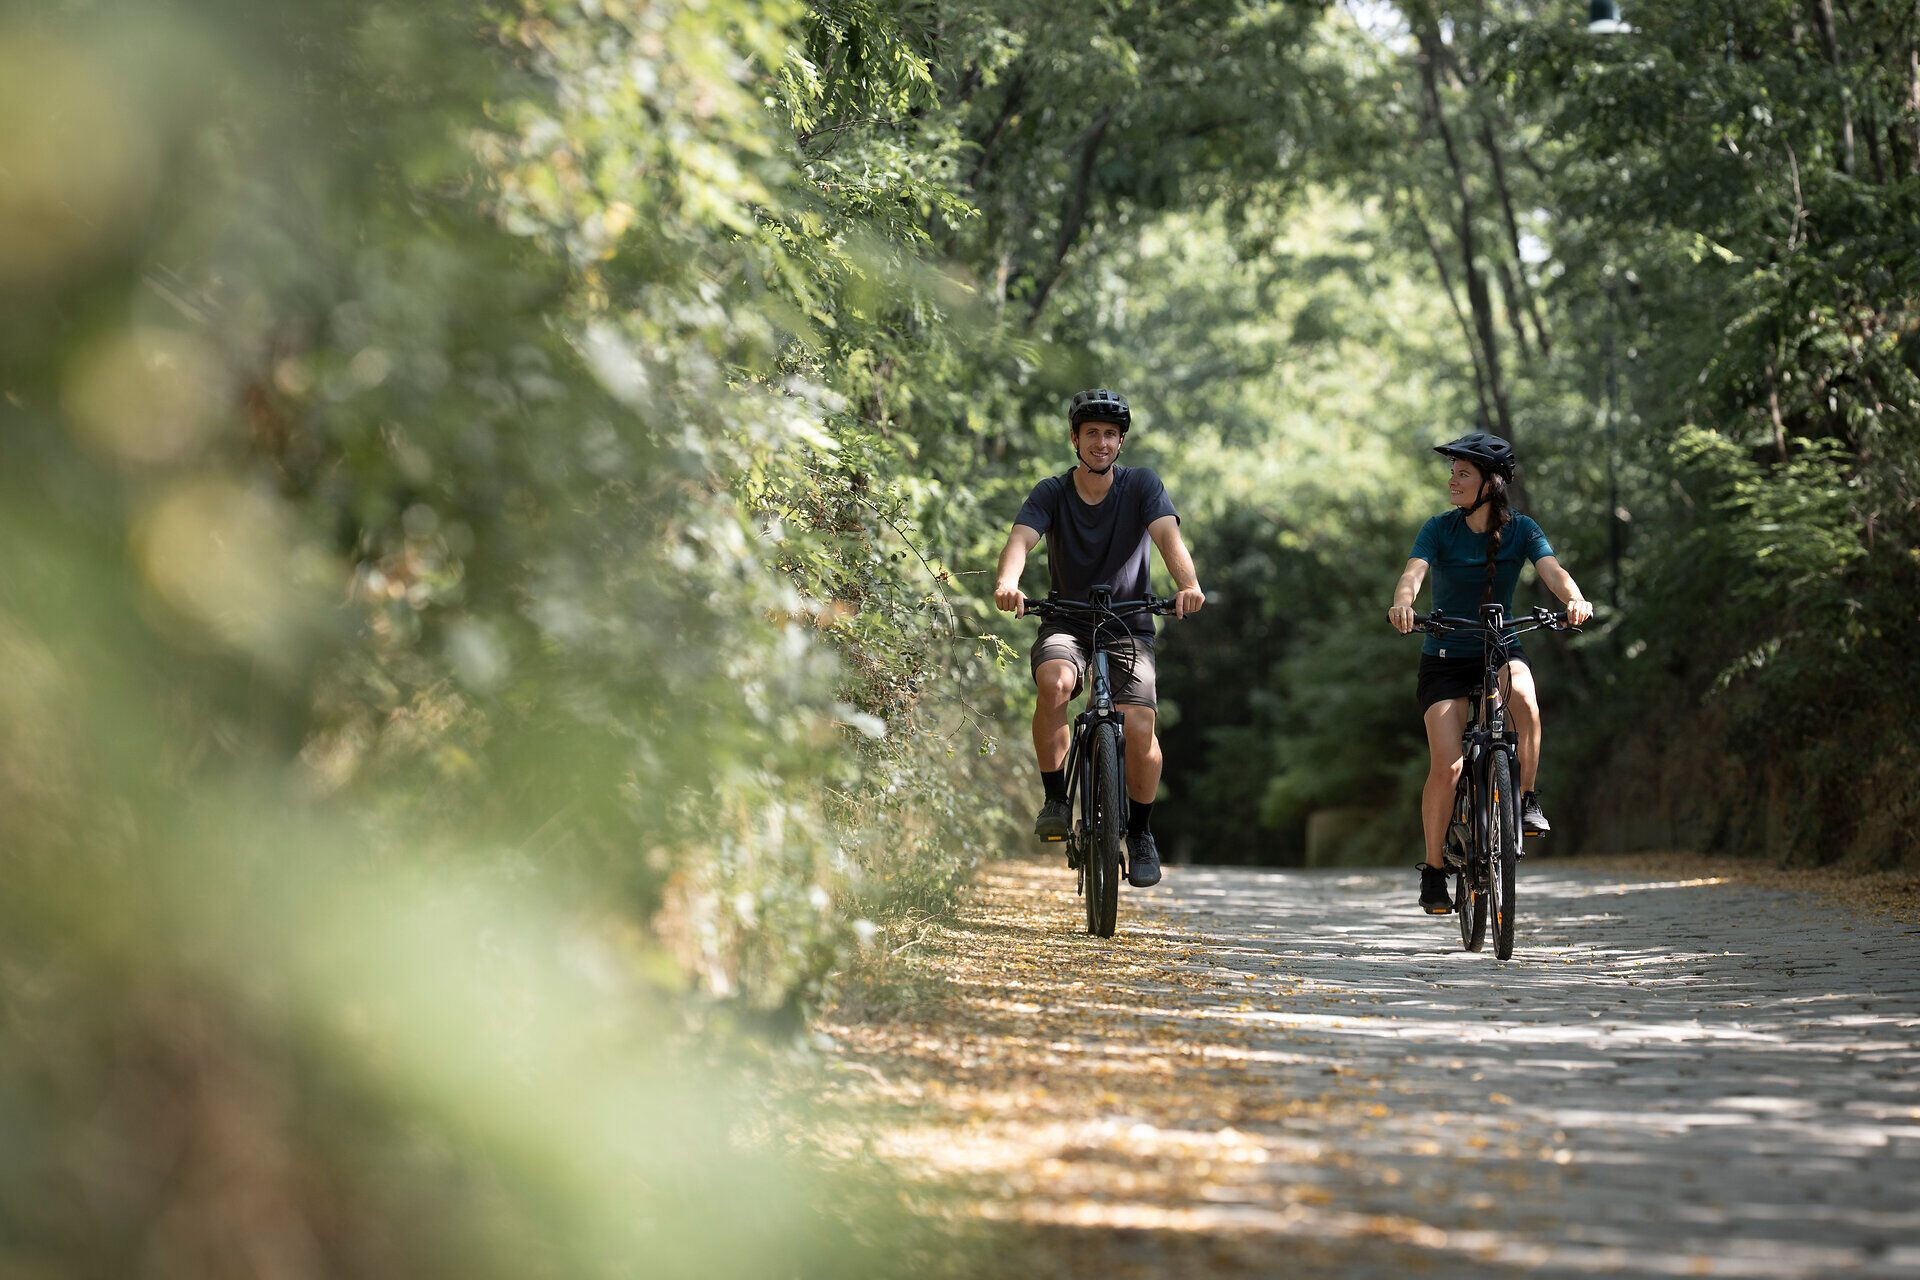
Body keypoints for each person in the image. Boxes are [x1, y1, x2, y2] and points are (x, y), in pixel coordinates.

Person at [993, 389, 1204, 888]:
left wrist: (1188, 586)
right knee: (1055, 683)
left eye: (1111, 434)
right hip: (1066, 618)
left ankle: (1142, 832)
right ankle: (1056, 798)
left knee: (1137, 727)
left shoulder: (1142, 486)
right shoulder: (1051, 492)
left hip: (1128, 621)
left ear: (1121, 442)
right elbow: (1021, 539)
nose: (1102, 443)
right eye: (1092, 433)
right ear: (1075, 439)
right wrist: (1007, 583)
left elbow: (1168, 539)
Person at [1386, 431, 1593, 915]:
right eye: (1452, 472)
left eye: (1463, 473)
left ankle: (1525, 799)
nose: (1451, 480)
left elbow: (1551, 568)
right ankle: (1435, 872)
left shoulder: (1521, 529)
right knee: (1448, 764)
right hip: (1444, 658)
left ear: (1490, 483)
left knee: (1525, 699)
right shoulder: (1438, 528)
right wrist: (1402, 604)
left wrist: (1575, 599)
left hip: (1499, 649)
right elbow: (1413, 572)